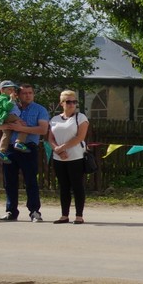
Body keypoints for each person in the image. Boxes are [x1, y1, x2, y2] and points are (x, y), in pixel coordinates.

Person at [0, 83, 50, 223]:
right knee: (9, 181)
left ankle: (34, 211)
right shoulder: (10, 106)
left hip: (28, 148)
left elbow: (43, 130)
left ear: (33, 94)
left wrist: (21, 128)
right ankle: (11, 211)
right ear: (18, 95)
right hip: (10, 148)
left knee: (31, 180)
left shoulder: (40, 109)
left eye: (30, 93)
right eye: (24, 93)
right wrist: (7, 126)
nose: (28, 95)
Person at [46, 90, 90, 224]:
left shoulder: (80, 117)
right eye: (68, 102)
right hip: (59, 158)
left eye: (74, 101)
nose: (72, 104)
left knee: (77, 186)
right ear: (61, 103)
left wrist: (63, 147)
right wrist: (58, 151)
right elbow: (50, 138)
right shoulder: (54, 119)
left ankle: (79, 215)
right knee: (63, 186)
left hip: (76, 157)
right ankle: (64, 215)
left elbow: (80, 137)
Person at [0, 79, 30, 163]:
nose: (12, 91)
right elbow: (7, 107)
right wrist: (12, 100)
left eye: (13, 89)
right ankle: (19, 142)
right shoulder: (2, 98)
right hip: (9, 117)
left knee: (6, 134)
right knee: (23, 125)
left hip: (8, 118)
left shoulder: (8, 98)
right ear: (2, 90)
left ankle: (2, 151)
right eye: (9, 89)